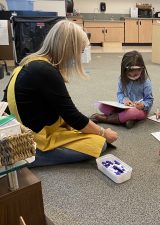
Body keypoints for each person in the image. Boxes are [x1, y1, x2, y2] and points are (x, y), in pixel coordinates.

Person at [2, 20, 118, 167]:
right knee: (99, 144)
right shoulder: (46, 71)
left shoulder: (33, 62)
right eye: (80, 51)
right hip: (32, 137)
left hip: (19, 129)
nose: (79, 57)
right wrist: (103, 133)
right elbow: (72, 116)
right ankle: (28, 156)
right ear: (69, 49)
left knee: (88, 132)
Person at [90, 51, 154, 129]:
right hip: (123, 107)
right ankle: (124, 119)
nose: (132, 77)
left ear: (142, 69)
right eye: (129, 75)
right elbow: (120, 94)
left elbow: (149, 100)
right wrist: (124, 100)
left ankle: (103, 119)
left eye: (136, 75)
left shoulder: (146, 82)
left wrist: (143, 105)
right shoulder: (122, 79)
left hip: (139, 110)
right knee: (100, 105)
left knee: (131, 112)